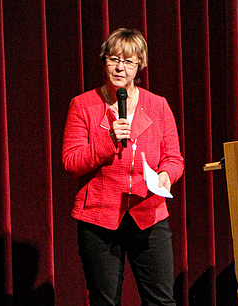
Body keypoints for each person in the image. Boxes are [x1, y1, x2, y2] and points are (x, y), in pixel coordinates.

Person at [62, 28, 184, 306]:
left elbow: (174, 159)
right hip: (99, 219)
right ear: (104, 60)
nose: (120, 67)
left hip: (149, 214)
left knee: (162, 301)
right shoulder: (83, 105)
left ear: (139, 65)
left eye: (128, 61)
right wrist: (108, 139)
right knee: (104, 301)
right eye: (113, 59)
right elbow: (71, 163)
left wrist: (166, 176)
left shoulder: (158, 105)